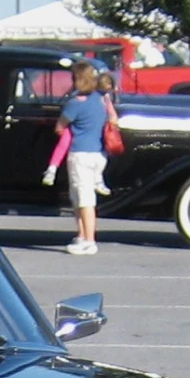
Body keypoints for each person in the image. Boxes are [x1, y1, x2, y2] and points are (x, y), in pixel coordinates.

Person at [44, 60, 115, 256]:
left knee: (84, 199)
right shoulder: (100, 99)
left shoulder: (75, 104)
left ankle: (89, 240)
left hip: (80, 154)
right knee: (80, 197)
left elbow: (59, 127)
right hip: (99, 153)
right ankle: (82, 235)